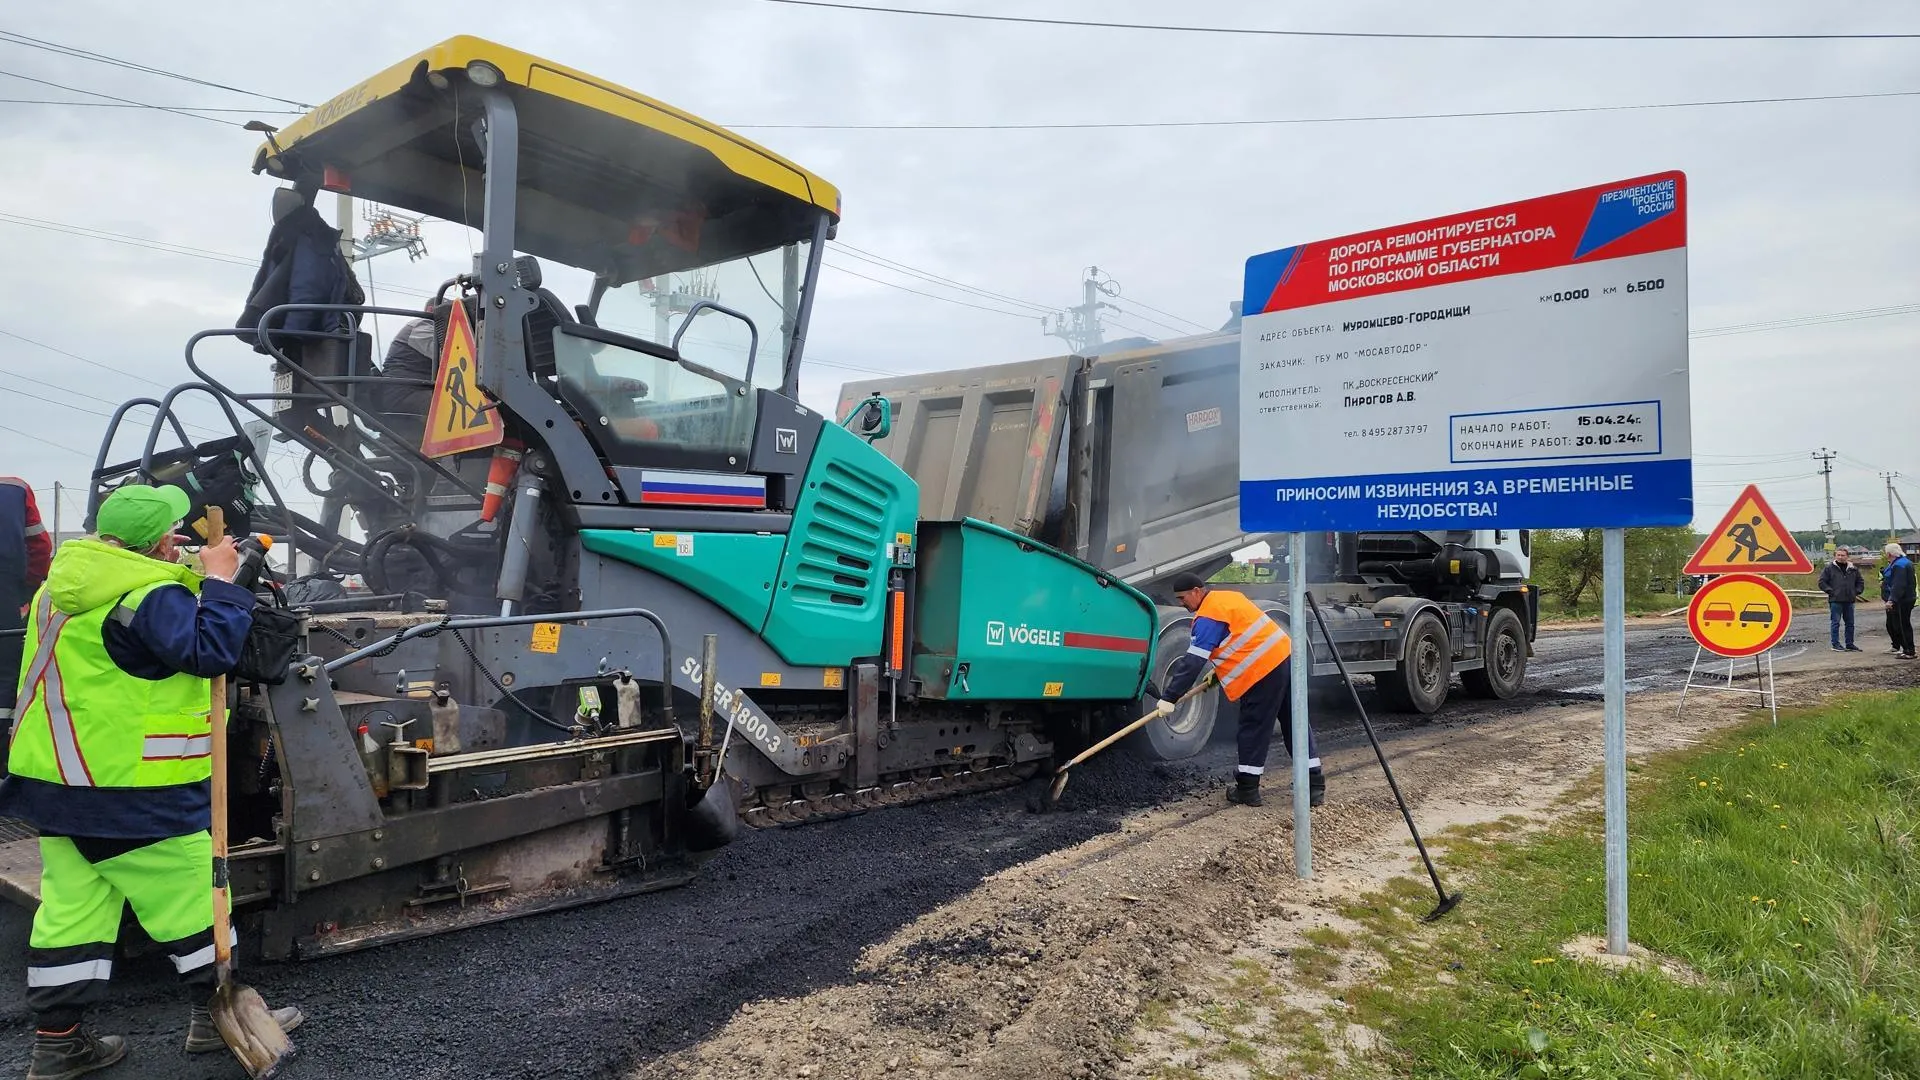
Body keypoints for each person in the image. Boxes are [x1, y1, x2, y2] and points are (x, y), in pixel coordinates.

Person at [0, 485, 302, 1078]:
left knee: (73, 916)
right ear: (161, 541)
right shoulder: (148, 593)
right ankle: (216, 1020)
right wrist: (218, 583)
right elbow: (209, 649)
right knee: (196, 905)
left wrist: (200, 579)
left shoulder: (61, 590)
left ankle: (58, 1043)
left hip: (60, 788)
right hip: (136, 793)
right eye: (174, 534)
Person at [1157, 572, 1323, 808]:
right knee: (1294, 722)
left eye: (1183, 598)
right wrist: (1218, 672)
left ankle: (1247, 789)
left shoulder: (1207, 617)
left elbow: (1192, 662)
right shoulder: (1227, 599)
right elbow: (1240, 638)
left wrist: (1169, 697)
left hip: (1262, 672)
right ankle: (1315, 786)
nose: (1181, 604)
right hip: (1283, 659)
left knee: (1253, 727)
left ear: (1196, 591)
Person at [0, 477, 52, 731]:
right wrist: (26, 591)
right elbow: (40, 547)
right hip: (5, 593)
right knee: (6, 670)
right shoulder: (15, 489)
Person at [1818, 547, 1866, 652]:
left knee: (1850, 623)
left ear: (1847, 556)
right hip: (1835, 600)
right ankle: (1835, 644)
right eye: (1838, 555)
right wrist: (1831, 591)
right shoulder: (1829, 568)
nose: (1840, 557)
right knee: (1835, 622)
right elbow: (1822, 582)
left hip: (1849, 600)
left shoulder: (1853, 569)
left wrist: (1856, 592)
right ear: (1835, 556)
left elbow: (1860, 582)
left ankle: (1850, 644)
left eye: (1842, 555)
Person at [1883, 542, 1915, 660]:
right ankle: (1907, 649)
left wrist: (1891, 600)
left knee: (1902, 625)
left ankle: (1909, 651)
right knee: (1900, 624)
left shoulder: (1899, 565)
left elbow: (1898, 584)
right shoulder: (1905, 562)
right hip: (1907, 597)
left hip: (1903, 599)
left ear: (1889, 554)